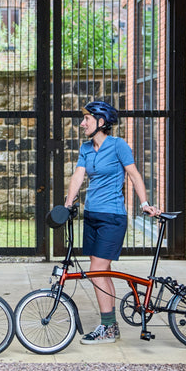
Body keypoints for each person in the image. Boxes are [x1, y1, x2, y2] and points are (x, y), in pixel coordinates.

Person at [62, 101, 157, 344]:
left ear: (101, 122)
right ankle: (110, 326)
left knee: (96, 272)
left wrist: (144, 203)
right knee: (100, 272)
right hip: (92, 215)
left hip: (112, 217)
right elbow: (78, 175)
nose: (82, 123)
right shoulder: (85, 148)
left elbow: (134, 175)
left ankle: (107, 327)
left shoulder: (118, 146)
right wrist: (68, 203)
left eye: (87, 119)